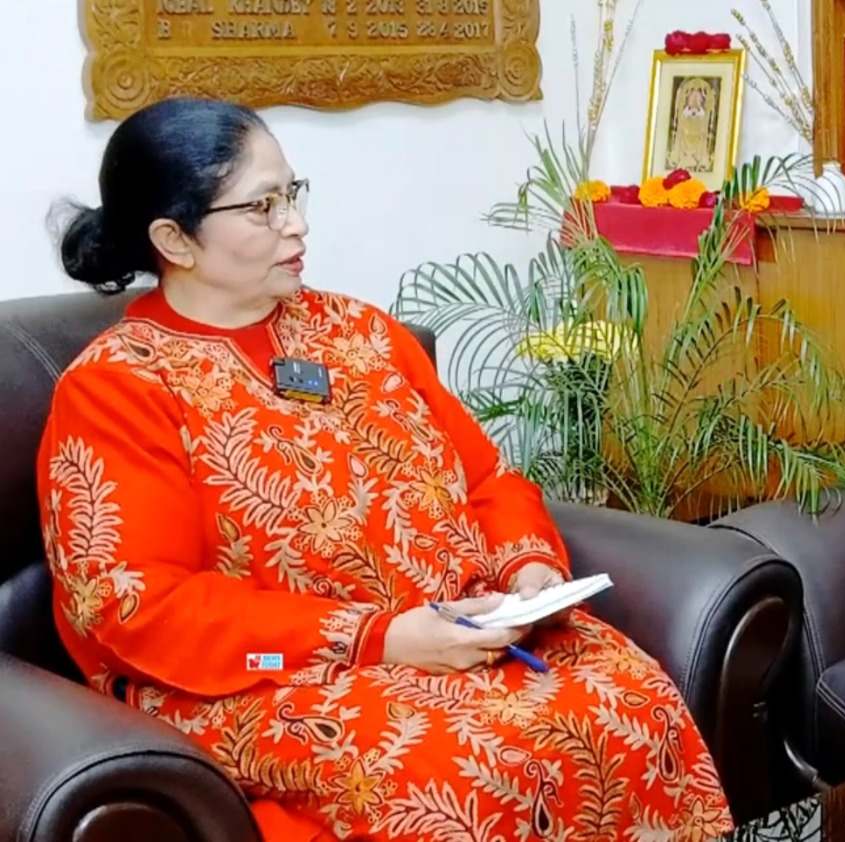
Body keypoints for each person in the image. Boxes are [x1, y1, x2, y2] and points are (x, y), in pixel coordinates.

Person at [41, 98, 733, 842]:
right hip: (271, 677)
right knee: (461, 769)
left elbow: (487, 479)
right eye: (262, 208)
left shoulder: (360, 332)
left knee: (631, 698)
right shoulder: (119, 387)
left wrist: (528, 571)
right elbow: (140, 607)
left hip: (466, 631)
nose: (296, 225)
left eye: (293, 194)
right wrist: (379, 638)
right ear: (174, 238)